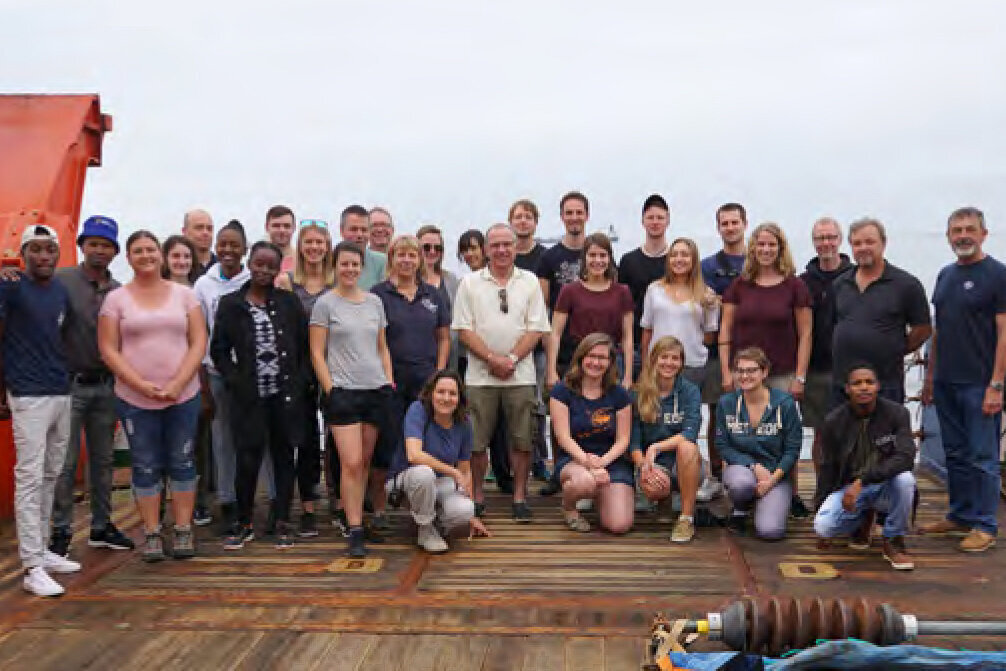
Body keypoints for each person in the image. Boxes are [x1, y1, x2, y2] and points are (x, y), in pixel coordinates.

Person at [98, 230, 207, 562]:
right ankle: (152, 532)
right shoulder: (116, 299)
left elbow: (198, 341)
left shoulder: (185, 295)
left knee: (183, 460)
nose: (145, 255)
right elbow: (108, 347)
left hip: (183, 394)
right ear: (128, 258)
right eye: (137, 251)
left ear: (160, 255)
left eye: (150, 250)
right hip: (135, 398)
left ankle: (184, 528)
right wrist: (139, 384)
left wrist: (178, 382)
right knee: (144, 464)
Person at [211, 242, 309, 551]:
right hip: (249, 397)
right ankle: (244, 521)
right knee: (248, 458)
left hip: (285, 396)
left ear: (279, 268)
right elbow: (219, 350)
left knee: (283, 457)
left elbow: (304, 346)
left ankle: (281, 520)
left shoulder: (289, 303)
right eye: (259, 264)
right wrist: (235, 380)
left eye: (270, 266)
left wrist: (302, 381)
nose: (264, 271)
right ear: (249, 263)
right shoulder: (230, 304)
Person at [0, 225, 80, 596]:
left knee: (52, 473)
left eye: (50, 250)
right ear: (23, 253)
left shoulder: (60, 291)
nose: (44, 256)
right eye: (36, 249)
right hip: (28, 393)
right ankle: (31, 565)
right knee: (29, 477)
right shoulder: (11, 285)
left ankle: (44, 549)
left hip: (60, 389)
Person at [920, 207, 1006, 553]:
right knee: (954, 452)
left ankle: (985, 524)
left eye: (970, 229)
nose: (963, 235)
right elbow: (939, 330)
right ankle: (960, 514)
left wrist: (996, 384)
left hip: (979, 382)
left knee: (982, 455)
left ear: (984, 234)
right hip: (946, 380)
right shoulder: (945, 275)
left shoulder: (997, 275)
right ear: (948, 236)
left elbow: (1004, 333)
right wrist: (929, 378)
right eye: (956, 230)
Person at [452, 224, 551, 521]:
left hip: (520, 375)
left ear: (515, 247)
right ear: (486, 249)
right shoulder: (469, 283)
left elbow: (536, 328)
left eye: (507, 244)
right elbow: (463, 330)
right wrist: (492, 359)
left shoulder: (530, 282)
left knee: (522, 440)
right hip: (480, 377)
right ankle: (478, 495)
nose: (502, 250)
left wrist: (510, 359)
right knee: (476, 441)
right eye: (495, 245)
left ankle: (520, 497)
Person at [49, 216, 135, 557]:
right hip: (68, 385)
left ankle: (101, 525)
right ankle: (60, 530)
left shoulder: (118, 291)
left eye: (106, 245)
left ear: (114, 251)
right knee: (65, 463)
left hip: (106, 385)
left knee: (102, 461)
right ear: (82, 245)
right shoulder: (60, 280)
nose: (99, 250)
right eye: (93, 243)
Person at [719, 223, 812, 517]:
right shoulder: (740, 285)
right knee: (741, 432)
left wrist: (800, 375)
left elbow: (806, 334)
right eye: (760, 244)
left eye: (772, 245)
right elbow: (725, 330)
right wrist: (726, 372)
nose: (766, 250)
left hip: (782, 372)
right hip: (744, 373)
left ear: (781, 248)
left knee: (784, 436)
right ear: (752, 248)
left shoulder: (794, 286)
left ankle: (790, 494)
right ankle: (741, 494)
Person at [310, 241, 395, 557]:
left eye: (354, 264)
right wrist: (330, 388)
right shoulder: (325, 304)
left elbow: (382, 346)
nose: (349, 269)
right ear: (335, 266)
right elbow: (317, 352)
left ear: (362, 268)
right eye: (344, 264)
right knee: (351, 462)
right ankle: (355, 526)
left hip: (374, 390)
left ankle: (358, 517)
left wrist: (388, 379)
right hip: (343, 393)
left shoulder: (374, 302)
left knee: (366, 463)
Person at [371, 235, 450, 530]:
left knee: (425, 445)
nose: (406, 260)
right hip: (389, 383)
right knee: (385, 445)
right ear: (391, 257)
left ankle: (426, 511)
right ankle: (379, 510)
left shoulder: (434, 295)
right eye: (400, 255)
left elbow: (443, 338)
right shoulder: (377, 295)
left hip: (426, 383)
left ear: (420, 260)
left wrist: (440, 375)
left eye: (412, 255)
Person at [813, 363, 916, 570]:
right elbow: (828, 467)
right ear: (847, 389)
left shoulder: (897, 414)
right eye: (857, 383)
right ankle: (862, 519)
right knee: (823, 527)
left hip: (885, 486)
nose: (864, 387)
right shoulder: (834, 421)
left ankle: (893, 538)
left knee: (906, 480)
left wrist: (863, 480)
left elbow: (906, 457)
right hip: (850, 488)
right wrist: (820, 504)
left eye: (869, 382)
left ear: (877, 386)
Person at [385, 370, 491, 552]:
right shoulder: (417, 410)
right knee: (424, 473)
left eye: (452, 393)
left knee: (464, 511)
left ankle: (434, 522)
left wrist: (473, 516)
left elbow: (465, 469)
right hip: (407, 480)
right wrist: (453, 471)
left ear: (459, 398)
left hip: (441, 482)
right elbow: (414, 455)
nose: (446, 398)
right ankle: (425, 530)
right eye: (440, 392)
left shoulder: (465, 422)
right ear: (430, 393)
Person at [193, 221, 254, 531]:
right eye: (223, 244)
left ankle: (258, 500)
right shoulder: (204, 285)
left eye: (235, 244)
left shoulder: (254, 279)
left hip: (253, 373)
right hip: (217, 372)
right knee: (223, 438)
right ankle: (228, 499)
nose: (228, 250)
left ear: (244, 248)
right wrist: (203, 376)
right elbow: (199, 332)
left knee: (256, 438)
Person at [277, 219, 335, 537]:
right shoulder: (287, 282)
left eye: (320, 243)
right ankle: (297, 505)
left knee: (332, 440)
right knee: (300, 439)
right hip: (296, 370)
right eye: (308, 242)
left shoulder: (337, 281)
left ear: (328, 247)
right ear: (300, 246)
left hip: (331, 367)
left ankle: (330, 503)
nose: (314, 248)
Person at [832, 217, 931, 405]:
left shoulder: (906, 285)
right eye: (857, 243)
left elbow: (923, 329)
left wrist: (893, 349)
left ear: (883, 243)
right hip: (844, 384)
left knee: (884, 435)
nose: (863, 247)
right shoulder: (840, 284)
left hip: (885, 383)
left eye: (869, 242)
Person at [551, 333, 634, 534]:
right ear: (581, 358)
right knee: (585, 482)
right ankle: (569, 508)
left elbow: (623, 440)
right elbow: (563, 437)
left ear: (611, 362)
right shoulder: (562, 391)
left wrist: (602, 462)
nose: (596, 362)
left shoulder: (620, 394)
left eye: (602, 357)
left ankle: (600, 496)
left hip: (611, 461)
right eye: (591, 356)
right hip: (574, 460)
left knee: (619, 525)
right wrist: (589, 463)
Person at [715, 347, 802, 540]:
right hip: (742, 469)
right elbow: (722, 446)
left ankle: (770, 501)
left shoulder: (785, 404)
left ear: (764, 372)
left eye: (752, 370)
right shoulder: (726, 403)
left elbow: (792, 450)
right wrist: (753, 466)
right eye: (740, 370)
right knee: (741, 485)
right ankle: (740, 509)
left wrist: (772, 480)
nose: (745, 376)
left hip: (775, 473)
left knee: (770, 532)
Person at [696, 203, 748, 501]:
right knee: (718, 410)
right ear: (718, 228)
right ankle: (716, 471)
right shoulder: (708, 266)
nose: (730, 227)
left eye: (734, 222)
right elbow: (708, 302)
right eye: (724, 223)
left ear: (744, 223)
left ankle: (750, 470)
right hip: (717, 353)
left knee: (757, 411)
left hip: (753, 348)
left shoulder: (757, 261)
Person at [630, 336, 702, 543]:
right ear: (653, 360)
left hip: (687, 464)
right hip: (654, 464)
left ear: (681, 363)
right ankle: (664, 499)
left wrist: (656, 447)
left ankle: (686, 518)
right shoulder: (637, 393)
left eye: (675, 358)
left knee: (687, 447)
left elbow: (690, 432)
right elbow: (633, 441)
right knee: (653, 488)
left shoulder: (689, 390)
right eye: (664, 357)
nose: (669, 363)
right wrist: (644, 465)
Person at [547, 232, 634, 390]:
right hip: (578, 361)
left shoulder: (622, 292)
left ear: (609, 258)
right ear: (584, 258)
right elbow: (555, 333)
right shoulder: (569, 291)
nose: (598, 261)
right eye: (592, 255)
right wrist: (551, 371)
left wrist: (628, 376)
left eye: (603, 255)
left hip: (613, 362)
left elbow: (628, 337)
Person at [799, 218, 852, 470]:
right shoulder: (803, 282)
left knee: (853, 433)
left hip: (853, 369)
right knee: (821, 435)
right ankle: (823, 491)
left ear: (840, 240)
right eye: (820, 238)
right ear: (813, 242)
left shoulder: (856, 278)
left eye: (830, 237)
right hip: (817, 370)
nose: (826, 243)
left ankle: (850, 491)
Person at [639, 237, 719, 387]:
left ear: (694, 259)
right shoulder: (654, 290)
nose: (679, 259)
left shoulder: (706, 294)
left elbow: (709, 339)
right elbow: (647, 331)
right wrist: (645, 366)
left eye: (684, 255)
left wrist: (710, 309)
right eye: (674, 255)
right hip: (658, 364)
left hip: (692, 365)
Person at [509, 199, 550, 483]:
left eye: (528, 217)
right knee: (511, 406)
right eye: (518, 217)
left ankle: (539, 460)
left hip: (536, 342)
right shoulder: (504, 255)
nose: (523, 221)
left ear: (536, 222)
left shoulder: (544, 257)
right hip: (507, 343)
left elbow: (543, 302)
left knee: (537, 406)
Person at [619, 194, 671, 380]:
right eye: (650, 218)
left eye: (660, 218)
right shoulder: (628, 261)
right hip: (634, 344)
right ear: (642, 221)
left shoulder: (677, 260)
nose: (655, 222)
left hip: (669, 346)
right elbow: (622, 305)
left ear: (668, 221)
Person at [418, 224, 461, 370]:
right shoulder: (410, 281)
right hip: (419, 355)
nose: (432, 252)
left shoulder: (451, 280)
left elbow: (457, 317)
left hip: (450, 353)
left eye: (437, 248)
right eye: (426, 247)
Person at [340, 205, 387, 290]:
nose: (359, 235)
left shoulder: (382, 262)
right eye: (353, 229)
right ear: (341, 231)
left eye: (364, 230)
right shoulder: (331, 261)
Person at [182, 209, 216, 278]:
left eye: (209, 229)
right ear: (184, 231)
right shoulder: (177, 267)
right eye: (199, 228)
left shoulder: (222, 268)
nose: (205, 233)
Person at [264, 205, 296, 275]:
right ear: (266, 227)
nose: (282, 230)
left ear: (294, 228)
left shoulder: (302, 261)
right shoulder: (258, 259)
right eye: (276, 226)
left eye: (286, 226)